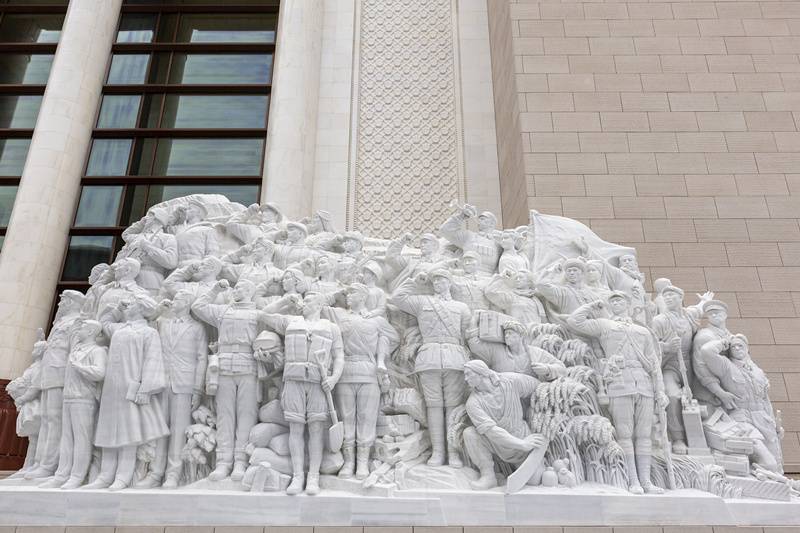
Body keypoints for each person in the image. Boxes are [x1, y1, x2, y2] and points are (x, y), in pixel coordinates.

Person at [567, 292, 668, 495]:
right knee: (624, 433)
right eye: (612, 301)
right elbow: (574, 321)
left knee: (644, 434)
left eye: (620, 300)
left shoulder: (642, 331)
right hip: (619, 383)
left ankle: (646, 481)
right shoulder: (605, 325)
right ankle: (633, 480)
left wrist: (661, 390)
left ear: (628, 304)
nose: (616, 303)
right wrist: (591, 306)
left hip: (645, 385)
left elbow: (653, 362)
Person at [261, 293, 345, 495]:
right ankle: (298, 476)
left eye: (308, 301)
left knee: (316, 429)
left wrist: (333, 378)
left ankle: (313, 477)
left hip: (318, 383)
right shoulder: (290, 322)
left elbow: (339, 356)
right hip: (293, 381)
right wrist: (284, 300)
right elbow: (263, 315)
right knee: (296, 429)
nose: (303, 303)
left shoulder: (331, 328)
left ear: (319, 304)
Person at [390, 269, 471, 467]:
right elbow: (397, 298)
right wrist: (414, 281)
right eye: (435, 281)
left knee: (453, 407)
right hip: (429, 358)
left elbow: (465, 334)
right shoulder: (422, 302)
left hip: (455, 358)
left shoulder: (461, 307)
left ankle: (453, 453)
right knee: (433, 406)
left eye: (442, 280)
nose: (437, 283)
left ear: (450, 282)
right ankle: (437, 452)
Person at [90, 295, 168, 490]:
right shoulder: (119, 329)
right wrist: (117, 308)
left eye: (131, 304)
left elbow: (153, 360)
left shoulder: (148, 332)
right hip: (112, 389)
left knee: (129, 432)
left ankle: (123, 476)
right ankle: (105, 475)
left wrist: (146, 388)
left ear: (141, 308)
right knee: (108, 430)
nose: (127, 306)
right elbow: (104, 322)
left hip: (131, 387)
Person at [322, 283, 399, 479]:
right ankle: (349, 462)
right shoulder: (339, 314)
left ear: (363, 296)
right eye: (347, 293)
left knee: (366, 418)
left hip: (369, 371)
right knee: (346, 417)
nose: (348, 295)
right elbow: (317, 305)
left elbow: (393, 338)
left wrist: (381, 356)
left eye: (352, 292)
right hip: (345, 370)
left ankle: (363, 462)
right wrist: (336, 293)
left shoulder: (377, 320)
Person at [192, 279, 265, 482]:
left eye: (240, 287)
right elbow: (198, 306)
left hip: (248, 366)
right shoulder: (223, 311)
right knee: (225, 416)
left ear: (249, 290)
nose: (235, 289)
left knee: (246, 415)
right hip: (223, 367)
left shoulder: (258, 314)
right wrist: (215, 289)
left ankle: (241, 461)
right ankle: (223, 462)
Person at [138, 290, 208, 489]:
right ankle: (155, 473)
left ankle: (173, 474)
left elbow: (202, 358)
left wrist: (197, 389)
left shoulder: (197, 328)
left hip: (184, 384)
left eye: (178, 299)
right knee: (160, 429)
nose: (173, 301)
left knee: (178, 431)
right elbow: (146, 331)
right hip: (162, 382)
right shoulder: (162, 323)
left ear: (186, 303)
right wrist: (159, 310)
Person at [699, 334, 783, 473]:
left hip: (764, 420)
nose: (737, 348)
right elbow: (706, 351)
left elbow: (765, 400)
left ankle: (764, 479)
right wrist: (724, 342)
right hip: (743, 419)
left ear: (747, 348)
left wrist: (775, 425)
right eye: (734, 347)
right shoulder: (726, 366)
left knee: (777, 467)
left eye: (740, 345)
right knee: (769, 463)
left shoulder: (758, 371)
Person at [24, 291, 85, 480]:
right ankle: (40, 462)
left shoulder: (76, 322)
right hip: (48, 375)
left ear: (73, 302)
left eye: (64, 301)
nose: (60, 304)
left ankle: (49, 465)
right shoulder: (59, 323)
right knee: (46, 419)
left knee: (56, 420)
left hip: (61, 376)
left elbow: (75, 351)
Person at [40, 319, 107, 489]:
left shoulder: (97, 351)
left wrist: (80, 367)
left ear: (91, 331)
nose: (79, 330)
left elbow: (100, 372)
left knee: (82, 439)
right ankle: (62, 474)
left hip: (84, 399)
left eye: (83, 328)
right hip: (69, 397)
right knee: (67, 438)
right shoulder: (76, 349)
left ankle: (77, 476)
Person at [461, 360, 546, 490]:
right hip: (500, 444)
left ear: (481, 372)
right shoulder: (473, 403)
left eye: (468, 374)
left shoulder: (510, 381)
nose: (465, 379)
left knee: (535, 480)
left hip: (523, 439)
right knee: (469, 433)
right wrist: (521, 444)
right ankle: (488, 476)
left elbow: (540, 388)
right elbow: (492, 432)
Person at [650, 285, 712, 454]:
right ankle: (678, 438)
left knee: (700, 396)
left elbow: (699, 309)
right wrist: (667, 347)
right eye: (666, 296)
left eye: (672, 295)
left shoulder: (688, 315)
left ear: (680, 297)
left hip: (690, 364)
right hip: (670, 365)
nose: (668, 298)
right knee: (673, 395)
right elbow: (650, 345)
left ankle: (704, 436)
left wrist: (705, 301)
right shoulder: (659, 320)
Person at [466, 318, 566, 378]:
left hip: (530, 399)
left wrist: (547, 369)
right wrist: (475, 320)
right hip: (505, 400)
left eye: (510, 333)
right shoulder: (497, 351)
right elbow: (475, 345)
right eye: (505, 334)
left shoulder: (536, 353)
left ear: (521, 336)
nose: (507, 336)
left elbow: (562, 368)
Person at [692, 300, 734, 407]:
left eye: (717, 312)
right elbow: (701, 368)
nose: (714, 315)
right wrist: (720, 393)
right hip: (709, 395)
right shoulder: (704, 336)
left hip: (729, 391)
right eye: (711, 314)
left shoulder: (731, 336)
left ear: (725, 315)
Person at [440, 204, 501, 274]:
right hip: (467, 275)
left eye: (482, 219)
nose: (479, 221)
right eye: (479, 219)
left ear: (492, 224)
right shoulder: (469, 236)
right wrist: (462, 216)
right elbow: (445, 230)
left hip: (488, 277)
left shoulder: (499, 244)